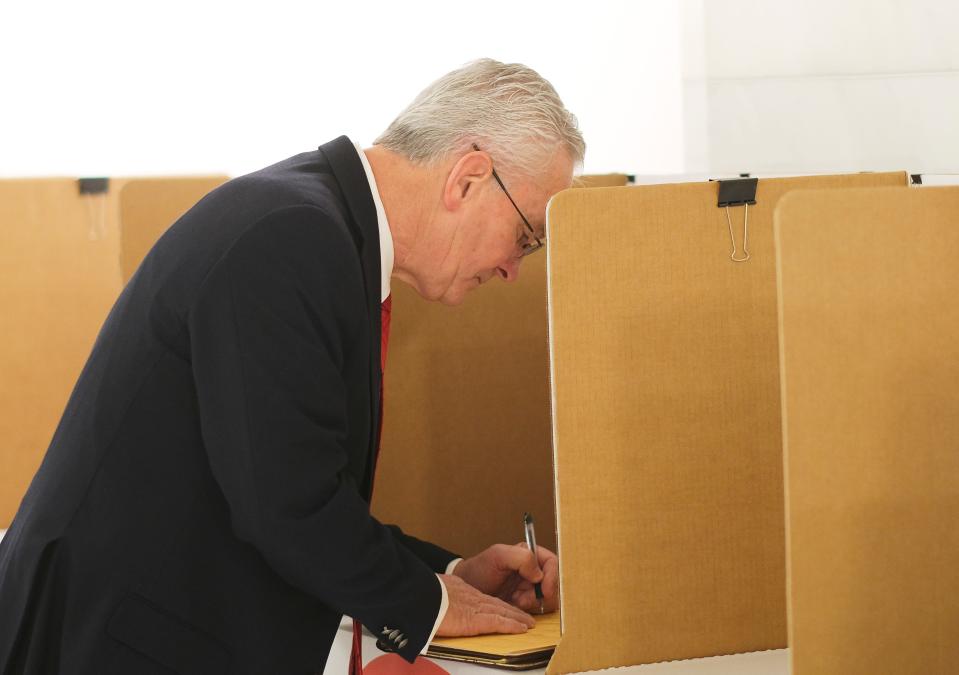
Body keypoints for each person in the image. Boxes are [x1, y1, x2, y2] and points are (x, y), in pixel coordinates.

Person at [0, 58, 585, 674]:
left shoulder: (316, 224)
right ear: (468, 178)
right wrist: (429, 603)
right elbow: (286, 506)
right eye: (526, 237)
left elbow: (295, 484)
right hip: (104, 639)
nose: (513, 269)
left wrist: (450, 575)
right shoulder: (294, 238)